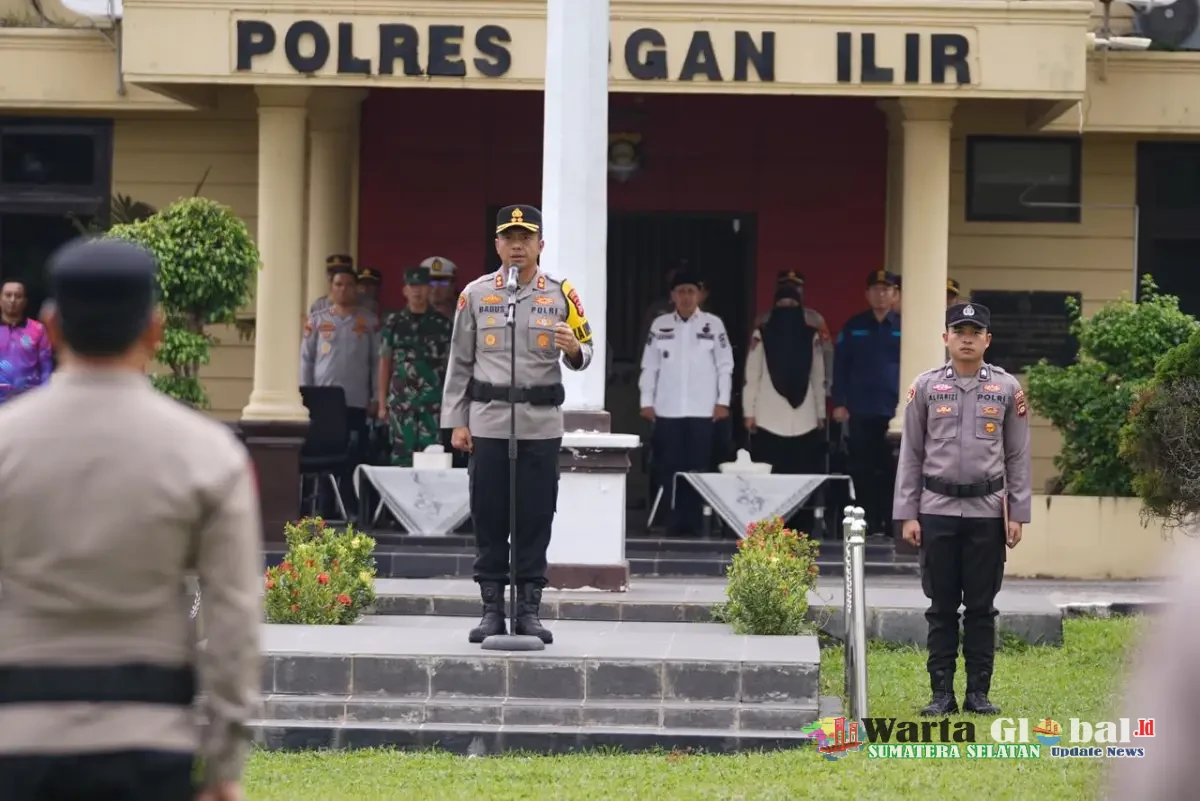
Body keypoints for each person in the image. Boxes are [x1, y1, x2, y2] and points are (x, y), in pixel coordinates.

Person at [0, 238, 261, 801]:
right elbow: (234, 617)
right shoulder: (207, 453)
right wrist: (223, 761)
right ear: (155, 330)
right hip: (150, 742)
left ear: (51, 327)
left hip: (17, 740)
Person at [441, 204, 594, 645]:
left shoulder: (561, 294)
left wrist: (572, 349)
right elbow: (459, 361)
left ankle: (528, 611)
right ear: (497, 245)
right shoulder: (476, 294)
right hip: (488, 422)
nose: (517, 246)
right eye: (509, 238)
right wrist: (456, 421)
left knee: (535, 517)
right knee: (489, 515)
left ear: (540, 244)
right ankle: (492, 610)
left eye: (525, 238)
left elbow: (587, 352)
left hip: (540, 424)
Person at [893, 301, 1031, 718]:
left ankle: (977, 694)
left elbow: (1018, 455)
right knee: (941, 607)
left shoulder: (1006, 388)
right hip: (936, 510)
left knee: (981, 608)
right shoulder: (926, 387)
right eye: (959, 332)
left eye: (975, 333)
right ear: (946, 338)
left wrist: (1017, 514)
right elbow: (911, 454)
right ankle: (941, 694)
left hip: (987, 513)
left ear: (988, 340)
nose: (966, 339)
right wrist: (908, 513)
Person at [639, 270, 735, 536]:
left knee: (699, 467)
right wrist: (646, 401)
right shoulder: (660, 325)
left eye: (691, 291)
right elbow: (649, 365)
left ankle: (698, 521)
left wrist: (723, 401)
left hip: (703, 411)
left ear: (700, 295)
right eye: (680, 291)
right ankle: (673, 520)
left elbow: (725, 366)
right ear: (672, 295)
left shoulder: (713, 325)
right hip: (667, 410)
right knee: (668, 466)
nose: (686, 297)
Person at [743, 281, 827, 532]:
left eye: (792, 304)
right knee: (771, 476)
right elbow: (752, 375)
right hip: (768, 416)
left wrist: (820, 412)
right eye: (782, 304)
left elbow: (818, 376)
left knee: (801, 475)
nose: (787, 308)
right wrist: (749, 412)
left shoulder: (811, 335)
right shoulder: (762, 334)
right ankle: (770, 526)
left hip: (804, 418)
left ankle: (801, 527)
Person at [300, 264, 379, 516]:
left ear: (356, 289)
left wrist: (376, 397)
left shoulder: (369, 322)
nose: (343, 289)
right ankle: (323, 510)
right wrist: (305, 396)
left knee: (354, 456)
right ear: (331, 288)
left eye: (349, 285)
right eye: (338, 284)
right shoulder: (317, 321)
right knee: (325, 454)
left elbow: (377, 362)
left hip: (357, 400)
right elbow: (306, 360)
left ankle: (354, 510)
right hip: (323, 403)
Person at [831, 269, 902, 537]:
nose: (881, 295)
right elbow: (840, 366)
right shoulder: (854, 326)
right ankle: (867, 521)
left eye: (886, 290)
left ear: (895, 295)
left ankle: (890, 523)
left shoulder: (905, 326)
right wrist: (839, 402)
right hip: (861, 409)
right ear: (867, 294)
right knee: (862, 468)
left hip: (894, 411)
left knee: (892, 469)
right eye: (875, 289)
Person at [378, 266, 453, 467]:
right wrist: (382, 403)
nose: (417, 291)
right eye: (412, 286)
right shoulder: (394, 323)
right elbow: (385, 363)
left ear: (430, 289)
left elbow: (450, 366)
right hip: (402, 402)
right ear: (405, 290)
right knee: (401, 458)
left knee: (432, 459)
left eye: (422, 286)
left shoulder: (443, 324)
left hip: (432, 402)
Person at [755, 271, 833, 393]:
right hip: (771, 384)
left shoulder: (814, 319)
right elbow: (754, 355)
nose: (791, 291)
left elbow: (827, 351)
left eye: (795, 287)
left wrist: (828, 381)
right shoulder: (764, 319)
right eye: (785, 286)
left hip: (808, 384)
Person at [0, 279, 53, 406]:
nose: (13, 300)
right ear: (0, 298)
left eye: (18, 296)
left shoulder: (38, 329)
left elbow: (46, 366)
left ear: (24, 301)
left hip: (28, 400)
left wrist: (45, 397)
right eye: (8, 295)